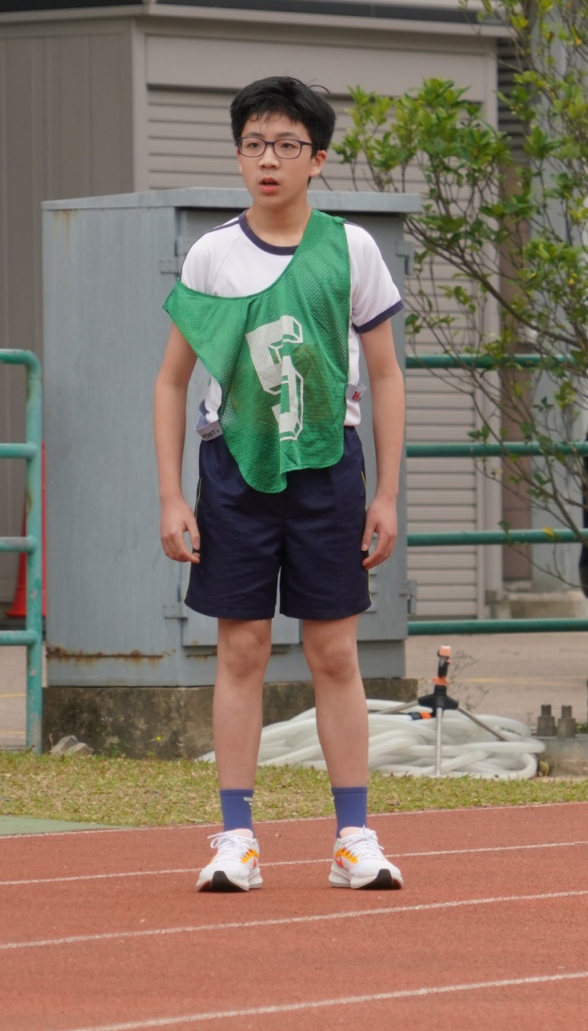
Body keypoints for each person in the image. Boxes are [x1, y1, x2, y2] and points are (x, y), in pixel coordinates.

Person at [153, 75, 407, 896]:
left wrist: (386, 493)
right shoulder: (211, 254)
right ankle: (237, 838)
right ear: (238, 155)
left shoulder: (351, 248)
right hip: (235, 470)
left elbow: (385, 373)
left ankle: (353, 837)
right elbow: (171, 380)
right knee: (243, 648)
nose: (269, 159)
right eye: (254, 144)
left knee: (334, 650)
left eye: (287, 145)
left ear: (317, 158)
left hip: (329, 468)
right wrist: (172, 495)